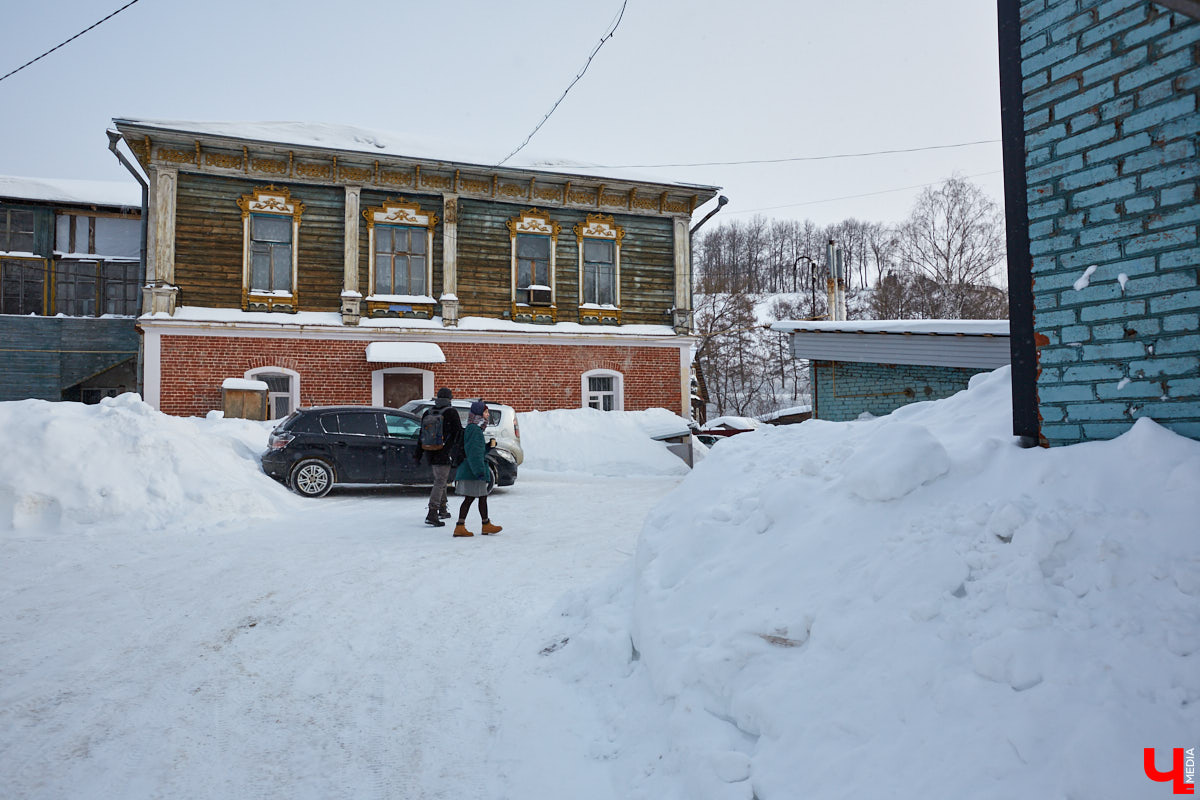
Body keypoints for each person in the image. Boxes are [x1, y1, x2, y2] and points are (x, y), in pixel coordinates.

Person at [452, 400, 502, 538]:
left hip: (472, 469)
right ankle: (461, 527)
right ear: (479, 414)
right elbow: (473, 453)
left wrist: (488, 447)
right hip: (472, 471)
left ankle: (484, 524)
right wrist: (479, 471)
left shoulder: (474, 429)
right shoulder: (474, 429)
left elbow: (477, 450)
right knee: (471, 498)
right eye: (485, 412)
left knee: (480, 497)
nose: (488, 415)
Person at [416, 387, 464, 527]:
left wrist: (418, 454)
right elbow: (458, 433)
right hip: (444, 452)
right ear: (449, 399)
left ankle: (442, 509)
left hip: (430, 451)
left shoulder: (428, 412)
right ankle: (432, 512)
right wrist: (458, 452)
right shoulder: (451, 412)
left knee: (440, 480)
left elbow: (421, 435)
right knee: (440, 481)